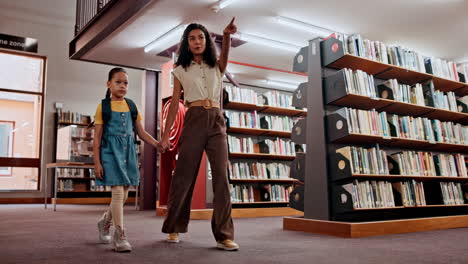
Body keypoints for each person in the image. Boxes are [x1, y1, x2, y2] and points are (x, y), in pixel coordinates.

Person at [159, 18, 239, 251]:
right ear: (186, 43)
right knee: (183, 176)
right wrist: (165, 136)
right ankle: (173, 226)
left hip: (216, 121)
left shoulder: (217, 66)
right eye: (192, 38)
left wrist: (226, 36)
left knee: (222, 179)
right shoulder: (180, 70)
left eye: (201, 37)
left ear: (207, 41)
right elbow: (174, 104)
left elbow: (224, 55)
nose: (197, 41)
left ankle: (224, 235)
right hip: (193, 120)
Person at [93, 67, 160, 252]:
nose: (122, 86)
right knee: (117, 193)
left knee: (125, 195)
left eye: (126, 83)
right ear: (109, 84)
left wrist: (157, 144)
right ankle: (120, 235)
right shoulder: (103, 107)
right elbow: (97, 137)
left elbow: (141, 132)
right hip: (110, 153)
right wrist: (97, 162)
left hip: (128, 153)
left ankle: (104, 221)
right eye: (118, 82)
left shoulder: (132, 106)